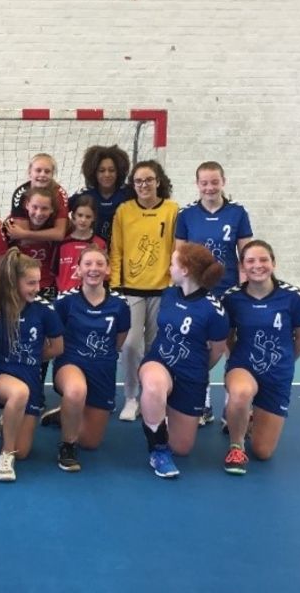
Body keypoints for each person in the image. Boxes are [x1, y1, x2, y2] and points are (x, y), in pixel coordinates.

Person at [221, 240, 300, 475]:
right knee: (241, 392)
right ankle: (236, 446)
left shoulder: (292, 297)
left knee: (262, 452)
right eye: (250, 261)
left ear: (273, 263)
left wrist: (286, 362)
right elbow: (227, 337)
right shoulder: (232, 298)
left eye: (263, 260)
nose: (257, 265)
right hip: (243, 367)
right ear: (242, 266)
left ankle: (249, 419)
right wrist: (236, 360)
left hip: (277, 375)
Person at [138, 244, 229, 478]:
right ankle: (158, 450)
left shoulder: (213, 310)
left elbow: (217, 351)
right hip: (159, 362)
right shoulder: (169, 295)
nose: (169, 268)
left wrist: (196, 370)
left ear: (185, 270)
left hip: (191, 376)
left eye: (173, 264)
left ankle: (158, 416)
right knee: (154, 386)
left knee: (181, 448)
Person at [175, 161, 253, 425]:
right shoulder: (186, 214)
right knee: (200, 348)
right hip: (200, 293)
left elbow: (245, 255)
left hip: (228, 290)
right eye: (204, 183)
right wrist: (184, 290)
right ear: (197, 184)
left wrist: (244, 289)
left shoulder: (237, 212)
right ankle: (203, 403)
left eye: (214, 182)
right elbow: (180, 256)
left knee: (232, 347)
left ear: (223, 182)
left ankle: (232, 407)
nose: (209, 187)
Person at [45, 246, 130, 471]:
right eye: (88, 264)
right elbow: (54, 337)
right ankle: (67, 445)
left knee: (90, 443)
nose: (94, 268)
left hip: (102, 370)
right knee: (76, 390)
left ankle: (65, 413)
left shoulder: (120, 305)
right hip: (71, 364)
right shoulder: (65, 301)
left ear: (108, 269)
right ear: (78, 270)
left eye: (100, 264)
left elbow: (118, 341)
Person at [0, 248, 64, 482]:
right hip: (0, 375)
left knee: (24, 452)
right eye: (30, 283)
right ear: (13, 282)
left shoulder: (44, 309)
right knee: (18, 392)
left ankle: (6, 423)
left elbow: (57, 348)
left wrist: (30, 357)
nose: (37, 288)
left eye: (38, 282)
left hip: (30, 377)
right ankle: (5, 455)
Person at [109, 160, 179, 421]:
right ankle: (131, 397)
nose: (144, 185)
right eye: (138, 181)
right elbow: (117, 250)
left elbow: (177, 248)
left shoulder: (172, 210)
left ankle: (157, 397)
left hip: (162, 289)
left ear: (158, 181)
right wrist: (115, 286)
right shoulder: (124, 211)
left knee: (156, 347)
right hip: (131, 289)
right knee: (130, 346)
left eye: (149, 180)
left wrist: (175, 284)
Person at [68, 145, 130, 248]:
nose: (107, 174)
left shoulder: (128, 193)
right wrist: (70, 226)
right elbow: (61, 211)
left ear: (118, 172)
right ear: (94, 173)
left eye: (111, 170)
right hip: (93, 249)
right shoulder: (85, 194)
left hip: (122, 248)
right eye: (101, 171)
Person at [7, 154, 69, 245]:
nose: (42, 174)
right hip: (35, 237)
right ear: (30, 172)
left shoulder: (59, 194)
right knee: (5, 227)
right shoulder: (20, 194)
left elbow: (59, 234)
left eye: (47, 171)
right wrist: (50, 236)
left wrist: (26, 234)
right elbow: (24, 240)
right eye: (38, 170)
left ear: (52, 174)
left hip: (49, 234)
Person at [53, 194, 107, 293]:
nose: (83, 220)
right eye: (80, 215)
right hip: (65, 296)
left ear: (94, 218)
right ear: (73, 215)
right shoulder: (62, 243)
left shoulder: (100, 244)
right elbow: (55, 273)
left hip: (90, 296)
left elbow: (104, 274)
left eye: (88, 217)